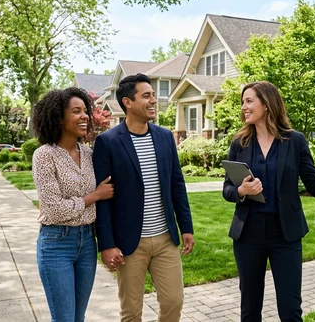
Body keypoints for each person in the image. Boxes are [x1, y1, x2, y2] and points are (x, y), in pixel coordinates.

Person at [222, 81, 315, 322]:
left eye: (249, 101)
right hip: (248, 234)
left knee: (290, 309)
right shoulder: (239, 143)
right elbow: (227, 190)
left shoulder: (295, 141)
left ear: (267, 104)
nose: (244, 107)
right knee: (250, 308)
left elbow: (314, 186)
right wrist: (241, 190)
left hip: (285, 234)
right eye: (243, 102)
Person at [93, 73, 195, 322]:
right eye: (146, 95)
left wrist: (186, 227)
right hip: (129, 243)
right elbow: (103, 198)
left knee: (173, 302)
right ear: (128, 102)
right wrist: (106, 245)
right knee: (131, 311)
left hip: (164, 238)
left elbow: (177, 184)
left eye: (153, 95)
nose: (153, 101)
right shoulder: (107, 142)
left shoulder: (164, 137)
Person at [31, 87, 115, 322]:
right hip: (56, 243)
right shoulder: (44, 155)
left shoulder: (88, 154)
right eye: (76, 111)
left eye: (85, 111)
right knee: (64, 319)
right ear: (59, 118)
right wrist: (94, 196)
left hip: (87, 242)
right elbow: (53, 209)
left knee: (79, 317)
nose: (85, 116)